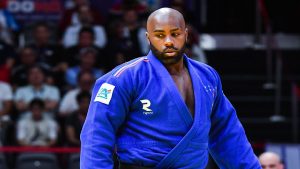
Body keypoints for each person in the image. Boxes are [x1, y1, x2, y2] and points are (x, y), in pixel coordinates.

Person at [80, 8, 261, 168]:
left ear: (186, 34)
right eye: (160, 35)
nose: (168, 41)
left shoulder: (207, 76)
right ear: (148, 37)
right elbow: (96, 135)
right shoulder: (125, 77)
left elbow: (227, 133)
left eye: (175, 34)